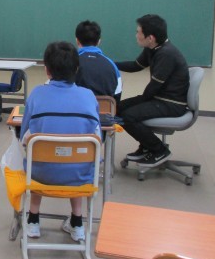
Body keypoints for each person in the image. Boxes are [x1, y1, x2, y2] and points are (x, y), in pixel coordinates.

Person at [19, 41, 101, 242]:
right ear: (76, 69)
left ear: (47, 70)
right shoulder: (89, 96)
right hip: (80, 176)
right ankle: (77, 223)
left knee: (36, 152)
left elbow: (24, 137)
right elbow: (97, 138)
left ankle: (33, 220)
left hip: (40, 175)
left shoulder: (36, 94)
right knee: (77, 153)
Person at [116, 14, 189, 166]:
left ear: (150, 38)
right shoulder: (153, 48)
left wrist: (138, 104)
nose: (136, 35)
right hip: (158, 98)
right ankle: (146, 147)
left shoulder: (166, 54)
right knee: (117, 108)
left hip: (172, 103)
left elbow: (154, 86)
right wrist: (111, 64)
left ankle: (159, 150)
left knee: (128, 116)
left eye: (138, 32)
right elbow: (136, 66)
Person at [74, 20, 122, 103]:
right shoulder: (112, 65)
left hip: (76, 110)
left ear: (77, 40)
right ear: (99, 41)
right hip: (104, 110)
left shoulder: (70, 63)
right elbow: (117, 96)